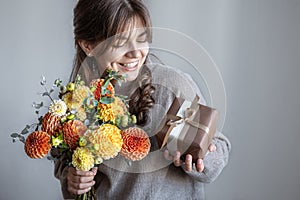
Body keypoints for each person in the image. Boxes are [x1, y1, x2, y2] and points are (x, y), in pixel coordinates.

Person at [54, 0, 231, 199]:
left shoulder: (173, 85)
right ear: (89, 46)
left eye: (141, 38)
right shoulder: (75, 100)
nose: (136, 53)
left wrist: (202, 157)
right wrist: (70, 178)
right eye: (120, 42)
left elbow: (219, 151)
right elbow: (63, 161)